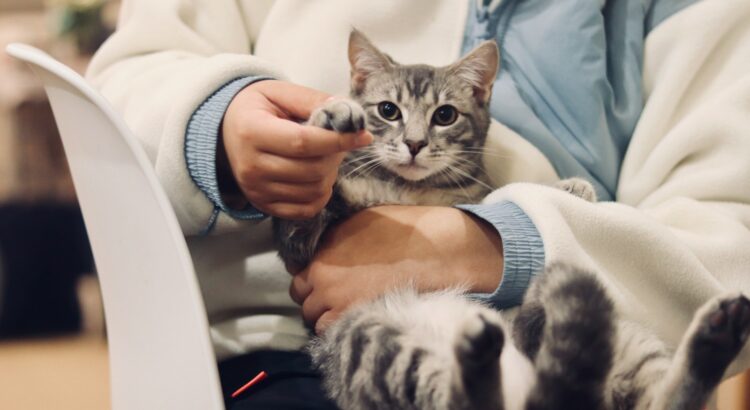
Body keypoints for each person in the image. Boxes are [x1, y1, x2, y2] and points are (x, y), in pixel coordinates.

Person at [88, 0, 750, 408]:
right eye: (387, 116)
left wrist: (498, 243)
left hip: (555, 341)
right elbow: (122, 82)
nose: (407, 140)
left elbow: (730, 234)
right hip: (289, 344)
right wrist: (222, 121)